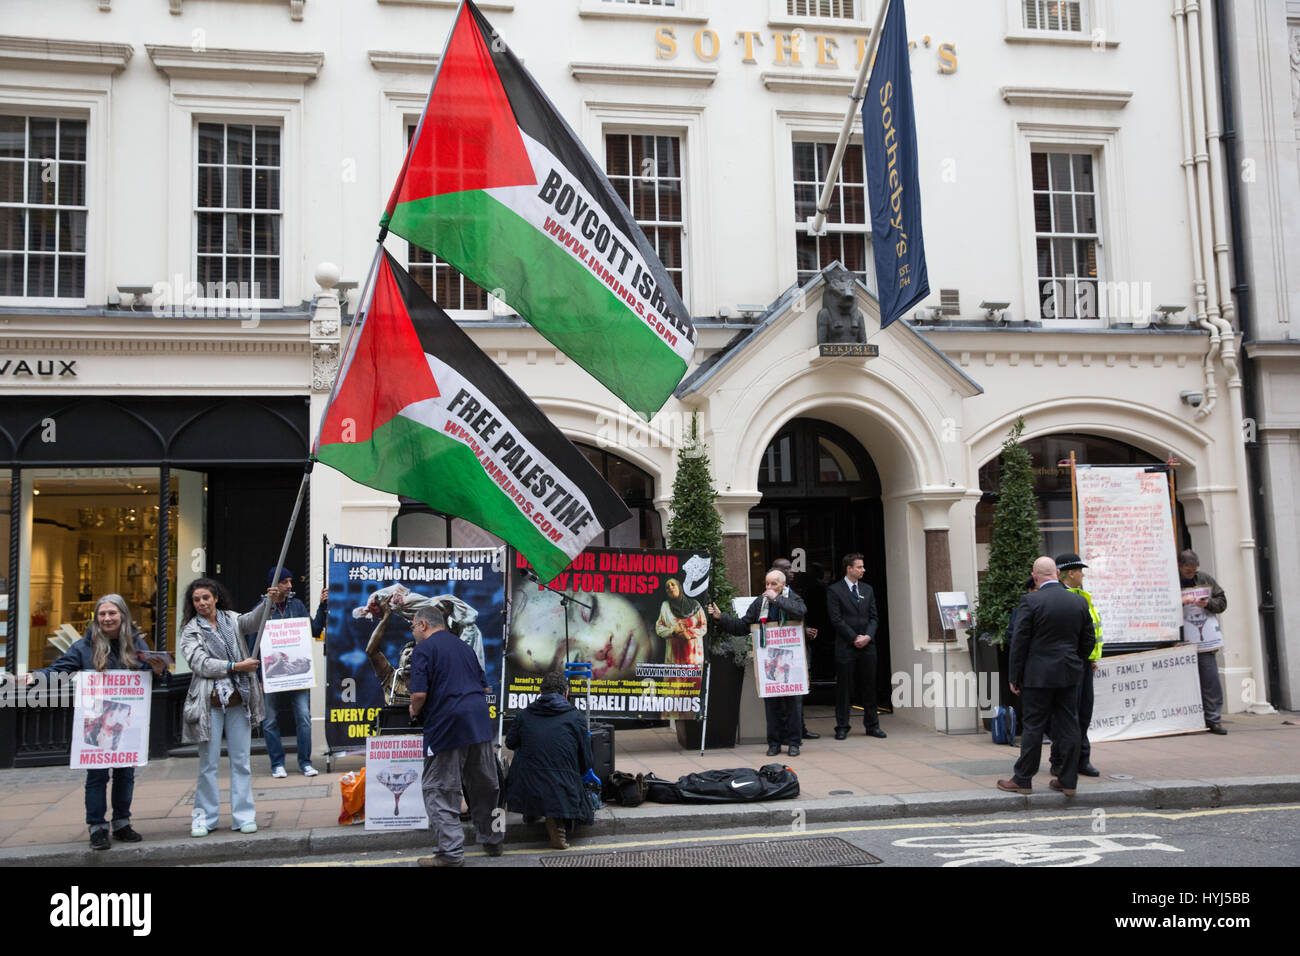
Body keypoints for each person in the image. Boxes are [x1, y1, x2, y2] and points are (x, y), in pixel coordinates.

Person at [29, 594, 165, 850]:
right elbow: (61, 668)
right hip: (96, 720)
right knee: (97, 775)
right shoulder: (84, 646)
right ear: (96, 618)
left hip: (126, 720)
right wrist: (34, 677)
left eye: (112, 613)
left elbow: (150, 680)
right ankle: (97, 827)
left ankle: (122, 823)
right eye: (102, 614)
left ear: (122, 615)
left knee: (126, 774)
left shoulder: (137, 644)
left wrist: (158, 670)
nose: (107, 618)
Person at [408, 605, 503, 866]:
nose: (413, 631)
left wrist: (413, 710)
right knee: (485, 785)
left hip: (447, 724)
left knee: (439, 789)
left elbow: (418, 695)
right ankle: (492, 840)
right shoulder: (465, 647)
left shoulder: (423, 650)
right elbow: (484, 686)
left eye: (413, 626)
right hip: (480, 722)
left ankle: (450, 854)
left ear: (424, 624)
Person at [998, 556, 1096, 796]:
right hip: (1069, 674)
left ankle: (1023, 780)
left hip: (1037, 675)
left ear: (1035, 576)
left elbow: (1019, 642)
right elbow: (1089, 640)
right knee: (1069, 725)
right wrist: (1076, 661)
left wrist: (1014, 676)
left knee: (1033, 725)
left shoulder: (1031, 601)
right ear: (1056, 574)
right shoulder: (1078, 602)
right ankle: (1068, 781)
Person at [180, 577, 269, 837]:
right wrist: (235, 667)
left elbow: (253, 622)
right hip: (209, 704)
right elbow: (200, 663)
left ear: (216, 598)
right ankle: (204, 819)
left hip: (238, 701)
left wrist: (268, 601)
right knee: (208, 764)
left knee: (241, 761)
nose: (201, 603)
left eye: (206, 598)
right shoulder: (190, 631)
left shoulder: (231, 619)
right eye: (196, 600)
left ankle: (244, 817)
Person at [707, 569, 807, 756]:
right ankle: (774, 743)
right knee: (772, 704)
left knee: (793, 704)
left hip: (791, 661)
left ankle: (794, 743)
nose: (769, 588)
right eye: (767, 584)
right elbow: (743, 626)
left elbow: (800, 612)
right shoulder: (760, 603)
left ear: (783, 585)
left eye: (773, 584)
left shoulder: (793, 598)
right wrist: (722, 618)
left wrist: (776, 599)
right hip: (770, 660)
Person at [250, 567, 328, 778]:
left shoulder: (298, 606)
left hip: (297, 674)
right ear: (274, 585)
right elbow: (253, 645)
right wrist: (258, 677)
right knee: (270, 719)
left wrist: (322, 606)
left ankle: (305, 762)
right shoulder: (261, 609)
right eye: (285, 581)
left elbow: (313, 630)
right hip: (271, 675)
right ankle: (277, 763)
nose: (290, 585)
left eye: (290, 581)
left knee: (303, 716)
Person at [504, 670, 594, 850]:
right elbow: (587, 762)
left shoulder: (524, 715)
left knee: (525, 750)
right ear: (566, 693)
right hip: (562, 787)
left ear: (540, 693)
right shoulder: (576, 718)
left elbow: (510, 743)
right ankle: (557, 824)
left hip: (527, 785)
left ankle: (532, 810)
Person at [1048, 553, 1103, 777]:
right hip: (1071, 665)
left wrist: (1091, 658)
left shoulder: (1082, 596)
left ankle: (1081, 758)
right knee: (1067, 715)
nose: (1082, 574)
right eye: (1080, 570)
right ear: (1070, 572)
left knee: (1083, 713)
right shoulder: (1063, 598)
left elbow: (1091, 633)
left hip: (1085, 664)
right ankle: (1060, 759)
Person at [825, 553, 885, 740]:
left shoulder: (867, 589)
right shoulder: (834, 590)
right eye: (859, 567)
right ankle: (842, 726)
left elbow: (874, 616)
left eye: (863, 566)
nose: (863, 570)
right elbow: (836, 619)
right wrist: (854, 638)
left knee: (869, 686)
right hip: (846, 645)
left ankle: (872, 725)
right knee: (844, 688)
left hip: (867, 645)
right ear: (849, 568)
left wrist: (867, 636)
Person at [1178, 549, 1228, 735]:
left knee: (1210, 679)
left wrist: (1208, 603)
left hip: (1204, 639)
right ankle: (1185, 719)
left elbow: (1222, 602)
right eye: (1187, 571)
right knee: (1182, 681)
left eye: (1193, 570)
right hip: (1180, 638)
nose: (1191, 574)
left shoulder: (1205, 579)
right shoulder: (1171, 580)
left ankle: (1213, 719)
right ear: (1180, 566)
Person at [772, 557, 820, 740]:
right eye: (787, 568)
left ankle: (800, 728)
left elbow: (799, 613)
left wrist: (805, 630)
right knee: (783, 697)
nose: (792, 571)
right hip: (780, 653)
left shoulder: (793, 593)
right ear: (777, 571)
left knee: (799, 691)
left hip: (798, 650)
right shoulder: (769, 596)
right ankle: (785, 732)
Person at [655, 577, 707, 667]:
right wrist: (673, 632)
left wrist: (689, 634)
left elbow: (703, 627)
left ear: (679, 587)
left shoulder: (695, 605)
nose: (670, 588)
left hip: (693, 656)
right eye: (667, 587)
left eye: (673, 585)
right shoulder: (665, 606)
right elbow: (659, 628)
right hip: (674, 658)